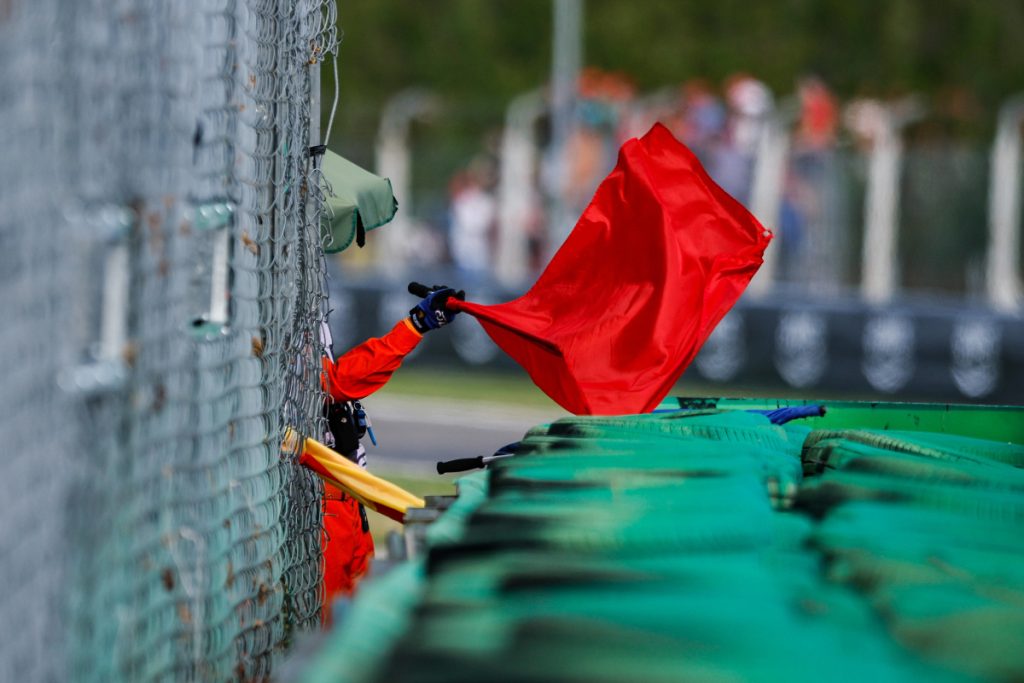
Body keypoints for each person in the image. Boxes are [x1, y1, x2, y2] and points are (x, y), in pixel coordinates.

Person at [316, 283, 464, 621]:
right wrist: (414, 325)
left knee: (358, 612)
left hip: (346, 484)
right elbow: (337, 384)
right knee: (329, 625)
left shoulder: (298, 308)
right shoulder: (276, 323)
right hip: (321, 495)